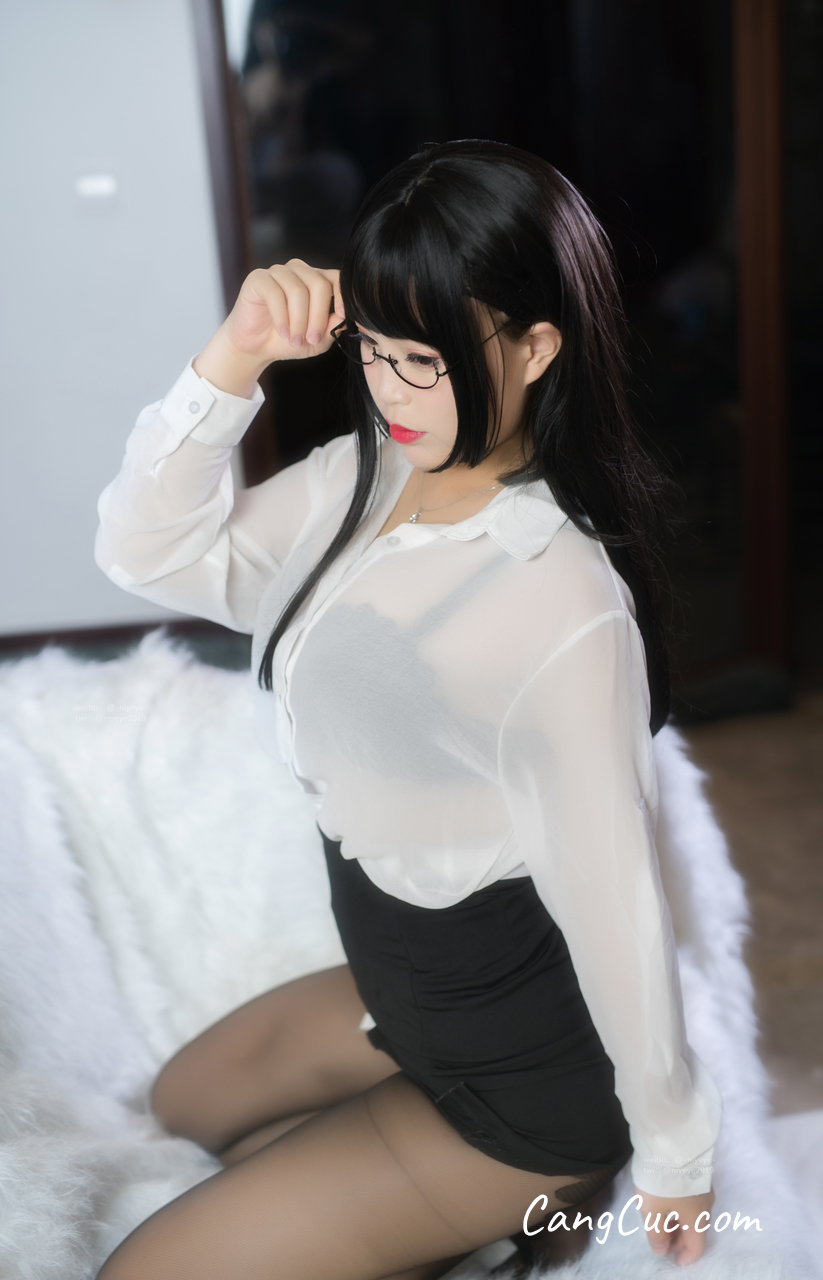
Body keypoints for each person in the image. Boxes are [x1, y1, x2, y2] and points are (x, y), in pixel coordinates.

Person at [93, 140, 721, 1279]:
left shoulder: (560, 600)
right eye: (375, 350)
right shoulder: (367, 474)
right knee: (179, 1105)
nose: (390, 389)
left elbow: (614, 894)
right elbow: (148, 555)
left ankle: (542, 1192)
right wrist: (234, 359)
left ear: (536, 348)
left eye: (424, 360)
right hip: (404, 995)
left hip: (524, 1084)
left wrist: (674, 1151)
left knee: (142, 1270)